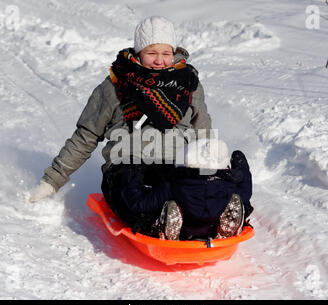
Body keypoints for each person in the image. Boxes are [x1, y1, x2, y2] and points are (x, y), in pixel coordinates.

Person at [29, 16, 212, 217]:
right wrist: (52, 181)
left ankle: (210, 214)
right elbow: (85, 137)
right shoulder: (115, 86)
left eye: (166, 53)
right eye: (151, 53)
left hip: (172, 164)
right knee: (132, 192)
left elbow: (203, 132)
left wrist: (211, 169)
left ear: (174, 53)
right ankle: (160, 220)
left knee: (192, 186)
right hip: (126, 167)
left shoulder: (187, 85)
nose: (159, 61)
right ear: (138, 53)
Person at [119, 138, 253, 241]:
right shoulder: (228, 185)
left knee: (161, 208)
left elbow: (139, 203)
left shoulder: (174, 185)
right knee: (237, 200)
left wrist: (132, 173)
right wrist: (242, 168)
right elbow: (246, 191)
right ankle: (225, 228)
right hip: (212, 225)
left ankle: (166, 224)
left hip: (185, 228)